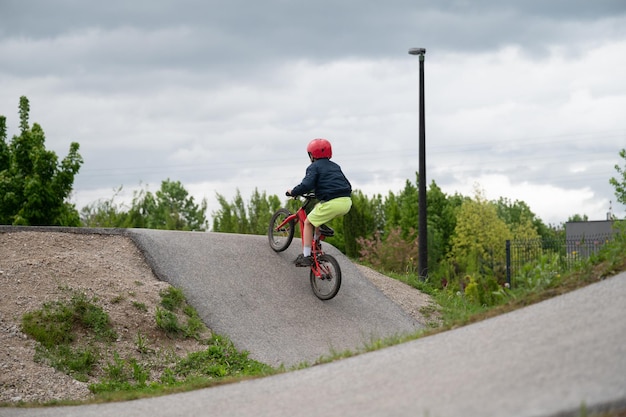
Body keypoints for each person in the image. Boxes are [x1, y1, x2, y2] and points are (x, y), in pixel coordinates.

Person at [287, 138, 352, 267]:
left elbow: (306, 185)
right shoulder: (335, 166)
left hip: (332, 203)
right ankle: (316, 241)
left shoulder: (313, 167)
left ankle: (306, 256)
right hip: (346, 202)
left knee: (308, 222)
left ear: (312, 155)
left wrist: (293, 192)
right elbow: (340, 183)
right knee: (318, 208)